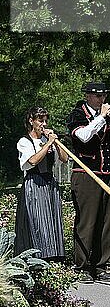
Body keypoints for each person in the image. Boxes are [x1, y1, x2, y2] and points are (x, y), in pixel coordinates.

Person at [66, 81, 110, 282]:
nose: (102, 100)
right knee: (87, 221)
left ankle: (100, 265)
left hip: (106, 173)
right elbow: (83, 137)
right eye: (98, 96)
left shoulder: (108, 118)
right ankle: (82, 265)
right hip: (86, 173)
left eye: (104, 96)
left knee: (106, 221)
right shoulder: (77, 115)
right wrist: (101, 117)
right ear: (88, 97)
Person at [15, 107, 68, 261]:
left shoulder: (48, 140)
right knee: (39, 221)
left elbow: (64, 159)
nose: (43, 124)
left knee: (52, 219)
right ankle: (40, 257)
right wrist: (47, 144)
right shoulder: (24, 141)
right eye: (40, 120)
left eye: (45, 120)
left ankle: (55, 256)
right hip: (34, 183)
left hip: (50, 183)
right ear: (31, 121)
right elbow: (32, 161)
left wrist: (56, 142)